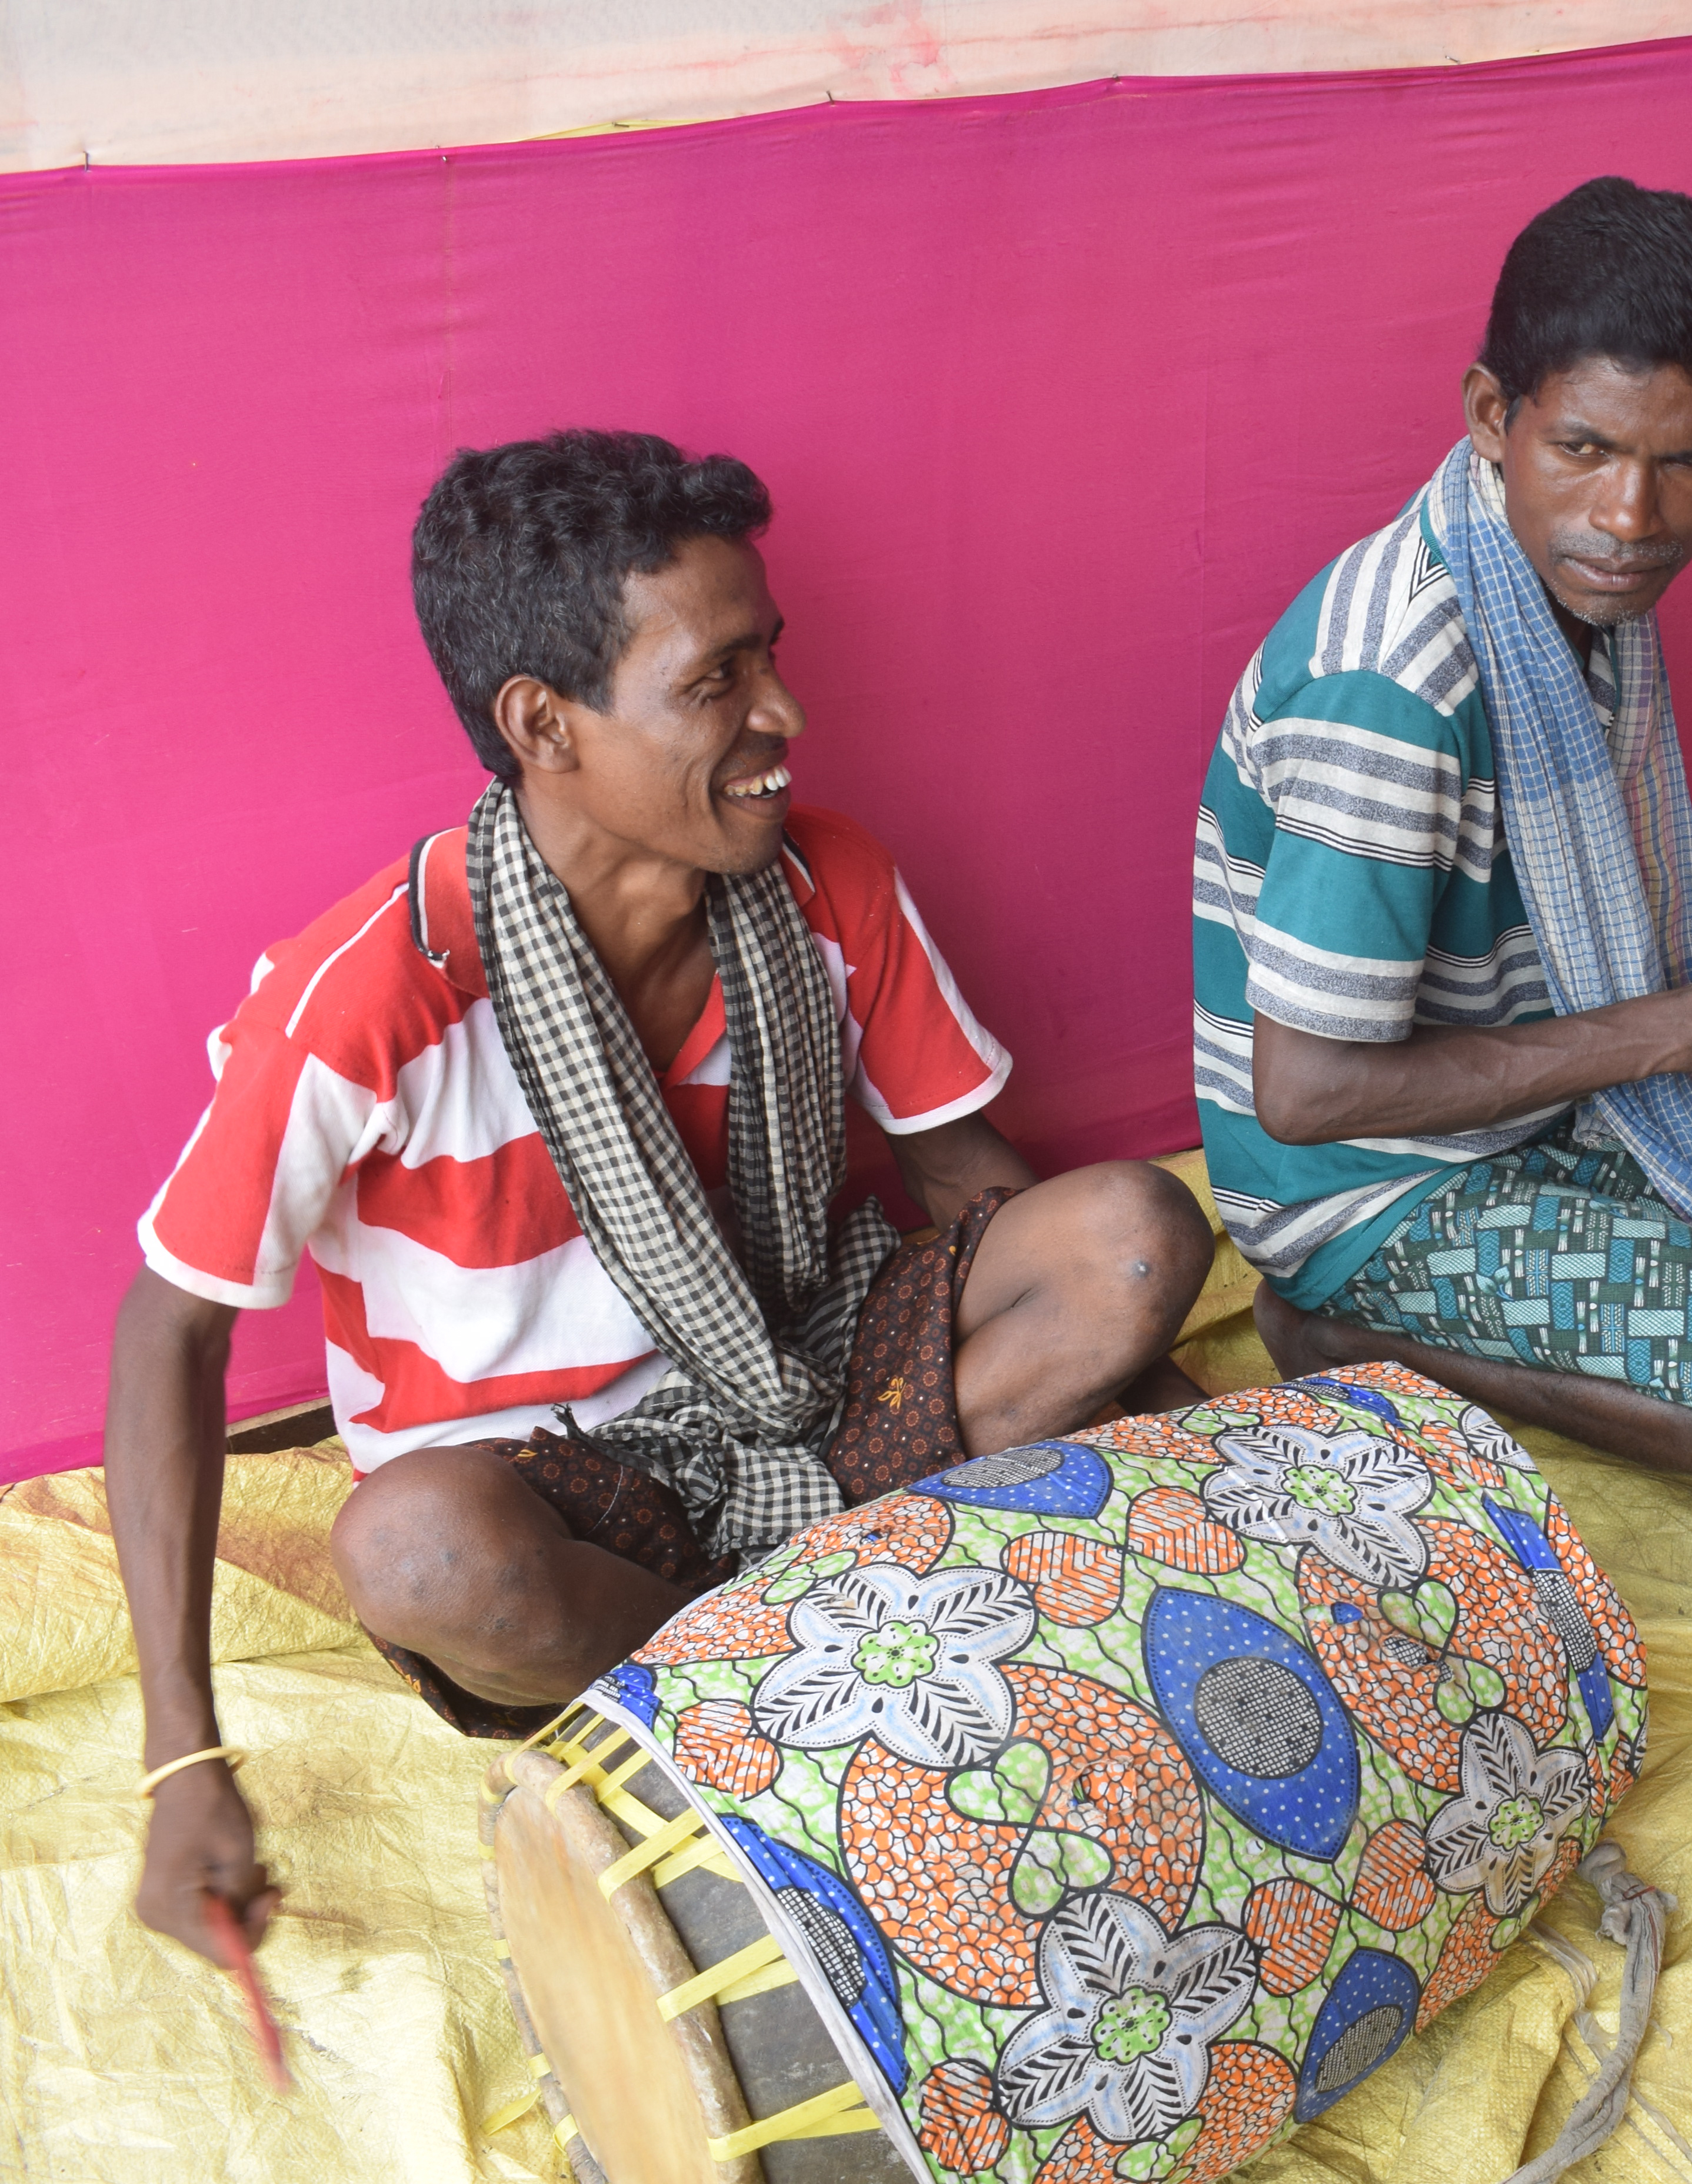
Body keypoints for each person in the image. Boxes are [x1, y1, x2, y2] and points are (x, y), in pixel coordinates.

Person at [115, 431, 1213, 1964]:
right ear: (544, 725)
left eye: (772, 660)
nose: (785, 718)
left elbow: (975, 1195)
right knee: (416, 1553)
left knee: (1141, 1237)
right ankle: (825, 1657)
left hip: (809, 1383)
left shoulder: (830, 883)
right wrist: (184, 1760)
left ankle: (786, 1638)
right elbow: (168, 1333)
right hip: (562, 1499)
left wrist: (1145, 1410)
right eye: (718, 683)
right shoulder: (371, 993)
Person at [1192, 176, 1692, 1493]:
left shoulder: (1568, 577)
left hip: (1547, 1074)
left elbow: (1601, 856)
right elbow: (1309, 1093)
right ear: (1494, 413)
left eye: (1685, 463)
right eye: (1588, 451)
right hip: (1371, 1184)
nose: (1632, 516)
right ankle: (1336, 1332)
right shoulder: (1394, 687)